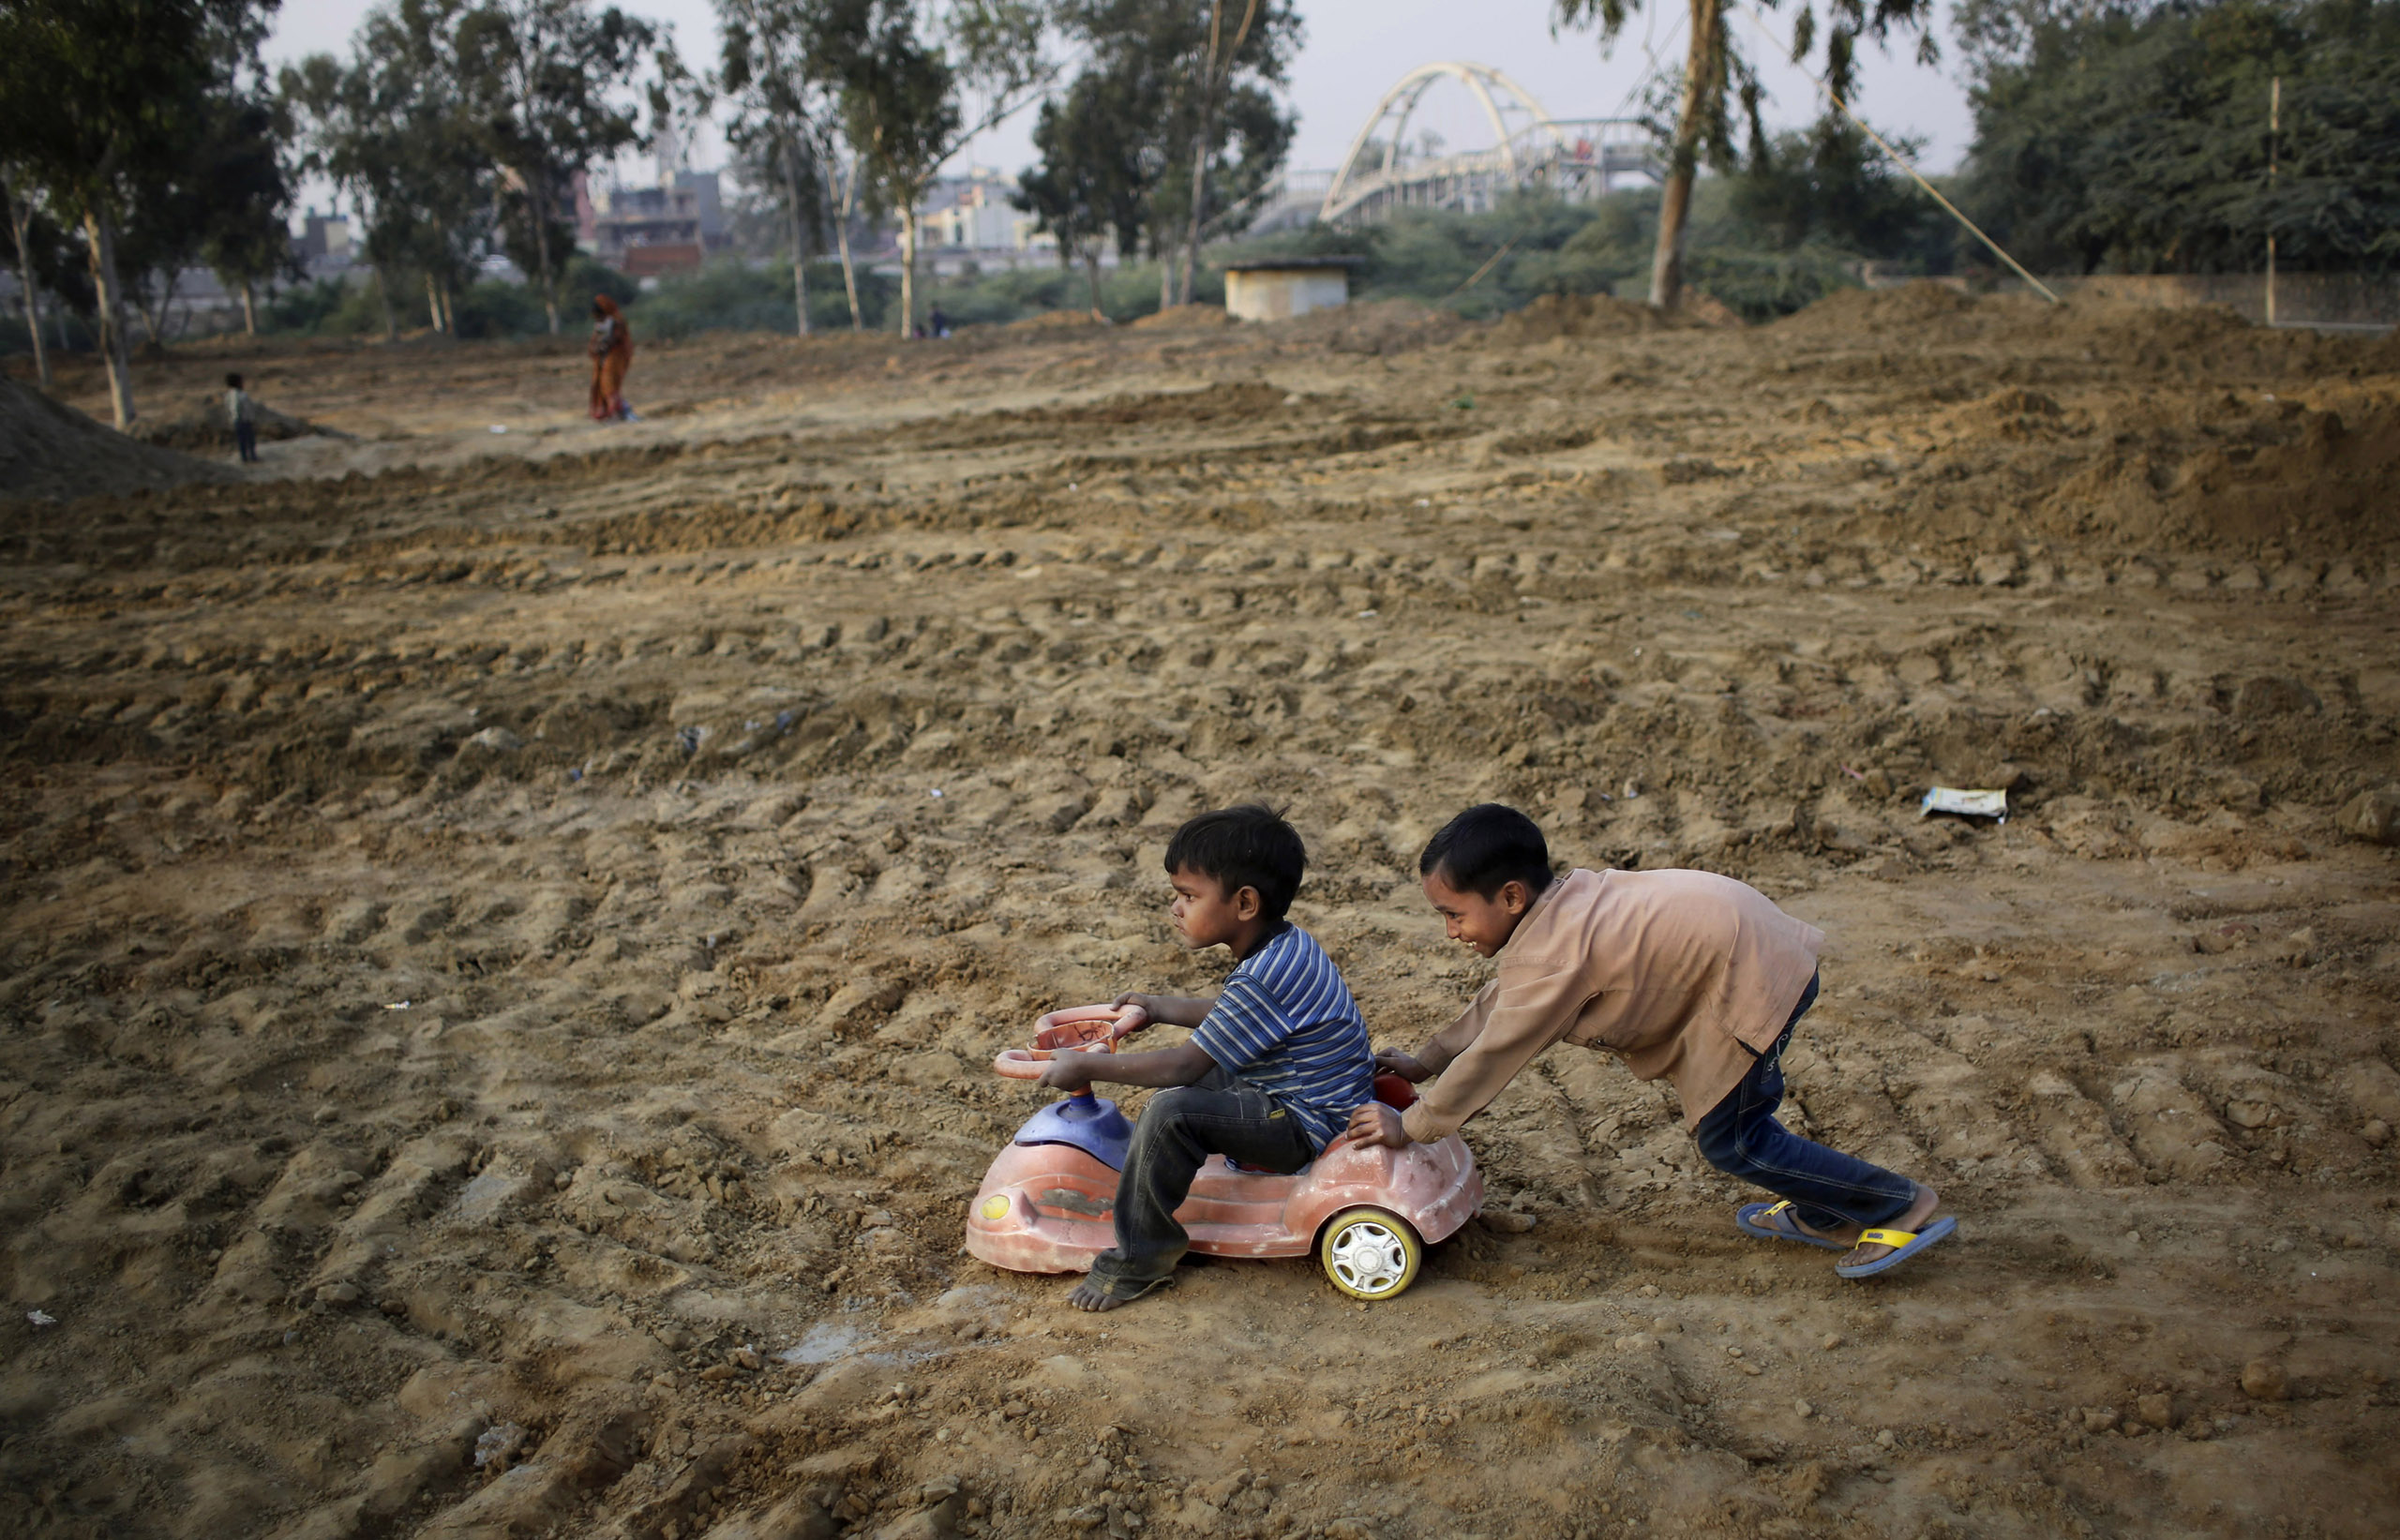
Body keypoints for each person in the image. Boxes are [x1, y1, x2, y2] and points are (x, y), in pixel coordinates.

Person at [1347, 804, 1955, 1279]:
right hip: (1750, 951)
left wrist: (1416, 1123)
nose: (1451, 931)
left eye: (1454, 914)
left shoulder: (1556, 950)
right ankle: (1829, 1209)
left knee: (1734, 1139)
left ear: (1510, 896)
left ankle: (1891, 1205)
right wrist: (1426, 1060)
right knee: (1742, 1123)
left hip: (1749, 977)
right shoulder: (1558, 913)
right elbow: (1505, 999)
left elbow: (1499, 1048)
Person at [1036, 805, 1376, 1311]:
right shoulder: (1288, 944)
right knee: (1207, 1075)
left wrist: (1085, 1067)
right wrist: (1157, 1008)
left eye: (1188, 896)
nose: (1176, 908)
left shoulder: (1262, 975)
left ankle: (1136, 1262)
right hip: (1316, 1094)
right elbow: (1236, 1018)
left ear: (1243, 903)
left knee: (1170, 1111)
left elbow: (1182, 1068)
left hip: (1304, 1123)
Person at [588, 294, 635, 422]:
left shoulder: (617, 322)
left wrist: (602, 346)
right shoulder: (600, 324)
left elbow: (616, 340)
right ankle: (616, 413)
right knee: (604, 387)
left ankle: (619, 413)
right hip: (605, 358)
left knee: (610, 387)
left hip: (616, 358)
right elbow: (594, 342)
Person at [224, 372, 259, 463]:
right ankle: (248, 458)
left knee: (246, 440)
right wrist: (238, 419)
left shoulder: (234, 394)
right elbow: (234, 408)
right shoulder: (236, 395)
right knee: (246, 440)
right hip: (242, 421)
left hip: (242, 420)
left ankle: (248, 457)